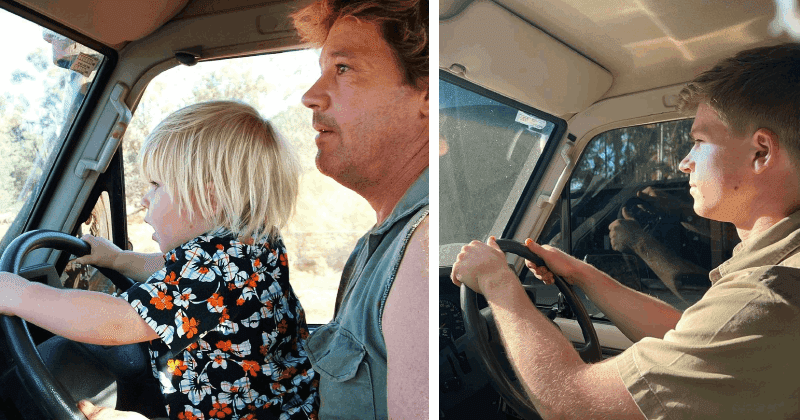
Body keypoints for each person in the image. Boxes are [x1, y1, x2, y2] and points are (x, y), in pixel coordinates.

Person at [452, 43, 800, 419]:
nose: (685, 162)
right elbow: (683, 333)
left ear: (761, 152)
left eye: (699, 141)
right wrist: (580, 273)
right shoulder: (771, 279)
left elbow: (573, 405)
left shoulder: (769, 297)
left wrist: (497, 283)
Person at [0, 101, 319, 419]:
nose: (144, 197)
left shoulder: (218, 265)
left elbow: (117, 323)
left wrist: (21, 295)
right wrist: (119, 259)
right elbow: (170, 272)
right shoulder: (253, 244)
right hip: (282, 402)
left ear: (207, 198)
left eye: (156, 185)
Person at [291, 1, 429, 419]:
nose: (310, 96)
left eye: (343, 69)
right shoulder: (382, 245)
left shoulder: (421, 247)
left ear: (426, 95)